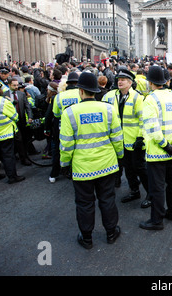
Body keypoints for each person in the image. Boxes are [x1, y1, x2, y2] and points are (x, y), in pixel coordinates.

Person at [59, 72, 123, 249]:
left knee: (85, 202)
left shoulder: (69, 113)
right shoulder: (109, 109)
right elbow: (117, 137)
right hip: (107, 164)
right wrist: (120, 156)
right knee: (107, 199)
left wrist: (65, 164)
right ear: (95, 91)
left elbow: (66, 144)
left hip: (82, 167)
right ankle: (111, 232)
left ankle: (87, 238)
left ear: (80, 91)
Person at [139, 66, 172, 230]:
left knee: (157, 187)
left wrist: (165, 146)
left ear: (151, 82)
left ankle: (156, 219)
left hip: (158, 152)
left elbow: (152, 128)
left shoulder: (150, 99)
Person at [102, 67, 150, 208]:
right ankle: (134, 190)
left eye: (123, 80)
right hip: (120, 140)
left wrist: (141, 137)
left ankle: (151, 194)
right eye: (118, 80)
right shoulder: (112, 96)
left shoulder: (137, 97)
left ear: (130, 82)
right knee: (128, 168)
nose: (120, 82)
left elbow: (143, 119)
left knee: (140, 168)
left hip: (135, 140)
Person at [51, 71, 81, 183]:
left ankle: (64, 167)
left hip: (63, 127)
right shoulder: (81, 94)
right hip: (79, 126)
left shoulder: (59, 97)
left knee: (64, 147)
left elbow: (56, 114)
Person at [3, 78, 33, 166]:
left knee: (22, 139)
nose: (16, 87)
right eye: (14, 85)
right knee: (16, 140)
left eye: (17, 85)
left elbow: (27, 106)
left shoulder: (21, 94)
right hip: (10, 121)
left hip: (21, 120)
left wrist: (30, 117)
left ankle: (23, 157)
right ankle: (20, 156)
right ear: (9, 85)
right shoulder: (4, 95)